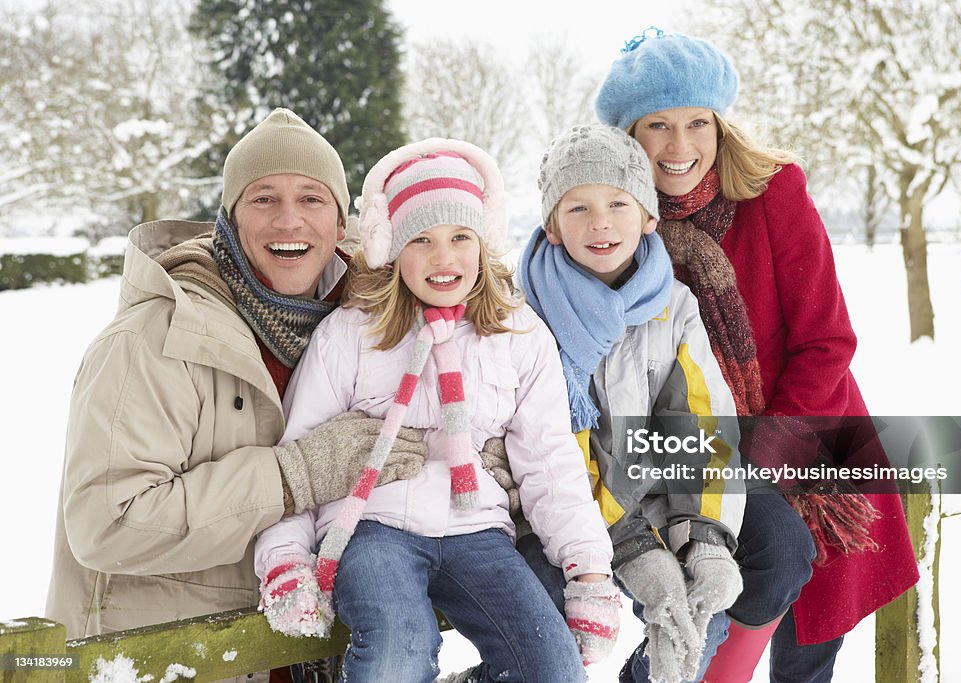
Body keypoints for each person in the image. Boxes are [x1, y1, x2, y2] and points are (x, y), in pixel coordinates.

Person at [44, 109, 428, 681]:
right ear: (230, 217)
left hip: (301, 656)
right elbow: (107, 524)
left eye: (312, 198)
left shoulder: (367, 328)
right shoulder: (151, 340)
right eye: (263, 199)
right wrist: (292, 476)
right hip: (163, 658)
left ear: (341, 221)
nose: (289, 220)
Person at [595, 30, 919, 683]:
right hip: (688, 461)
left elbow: (826, 342)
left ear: (720, 125)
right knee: (701, 621)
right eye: (658, 125)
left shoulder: (774, 194)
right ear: (629, 135)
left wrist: (763, 462)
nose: (679, 145)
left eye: (696, 122)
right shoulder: (612, 223)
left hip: (809, 443)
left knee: (806, 645)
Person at [253, 138, 621, 683]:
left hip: (480, 532)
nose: (444, 258)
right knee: (396, 654)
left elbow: (550, 462)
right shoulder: (352, 333)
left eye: (460, 238)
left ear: (483, 243)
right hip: (373, 531)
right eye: (421, 239)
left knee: (552, 668)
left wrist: (589, 572)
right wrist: (285, 559)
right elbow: (299, 456)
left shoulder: (518, 336)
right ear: (393, 249)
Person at [515, 123, 746, 683]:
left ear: (648, 217)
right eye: (578, 208)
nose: (600, 222)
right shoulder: (526, 315)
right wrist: (630, 544)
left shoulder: (674, 306)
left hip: (655, 506)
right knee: (550, 632)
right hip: (550, 520)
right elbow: (548, 448)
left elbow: (697, 419)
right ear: (551, 225)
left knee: (699, 615)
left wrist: (703, 532)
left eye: (619, 202)